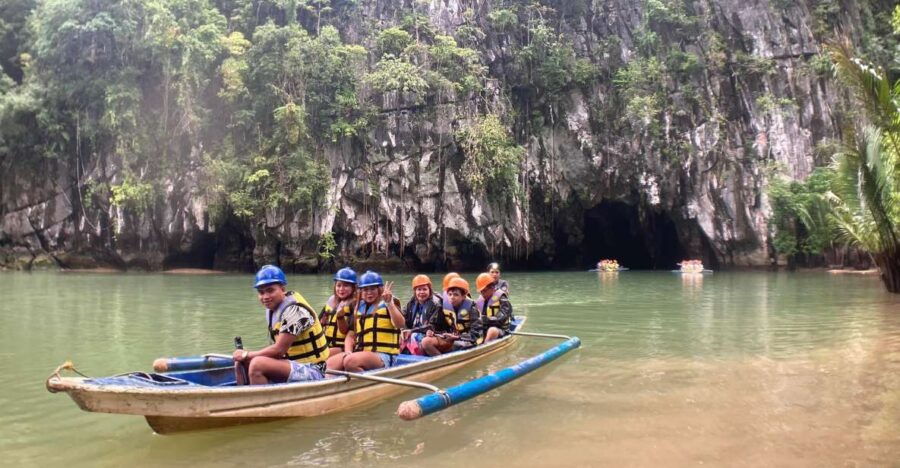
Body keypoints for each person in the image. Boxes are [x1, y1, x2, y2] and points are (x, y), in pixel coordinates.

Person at [232, 265, 329, 385]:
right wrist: (245, 357)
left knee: (256, 364)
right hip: (290, 364)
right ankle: (244, 396)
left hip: (313, 370)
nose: (265, 297)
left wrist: (246, 354)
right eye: (261, 292)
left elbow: (279, 350)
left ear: (282, 289)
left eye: (270, 290)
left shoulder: (295, 311)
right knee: (241, 362)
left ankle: (264, 402)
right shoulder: (274, 310)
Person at [325, 271, 405, 372]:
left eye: (372, 289)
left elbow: (400, 324)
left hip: (383, 356)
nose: (369, 292)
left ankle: (367, 385)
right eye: (365, 289)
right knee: (328, 365)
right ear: (361, 291)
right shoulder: (358, 308)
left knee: (350, 361)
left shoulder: (388, 304)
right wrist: (348, 351)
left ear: (379, 289)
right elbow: (350, 335)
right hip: (361, 353)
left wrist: (390, 303)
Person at [405, 274, 457, 356]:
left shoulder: (436, 304)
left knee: (417, 337)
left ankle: (434, 362)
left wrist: (411, 331)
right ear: (415, 291)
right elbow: (404, 318)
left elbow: (432, 326)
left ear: (430, 290)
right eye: (419, 289)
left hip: (439, 334)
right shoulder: (411, 303)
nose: (421, 292)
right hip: (420, 332)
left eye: (424, 289)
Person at [319, 267, 357, 356]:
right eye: (339, 285)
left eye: (346, 285)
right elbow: (318, 324)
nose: (341, 289)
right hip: (326, 345)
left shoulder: (355, 304)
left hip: (342, 347)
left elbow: (347, 332)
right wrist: (322, 323)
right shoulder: (331, 301)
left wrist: (340, 317)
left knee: (320, 356)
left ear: (354, 287)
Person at [443, 277, 482, 351]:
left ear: (464, 296)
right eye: (450, 294)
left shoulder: (472, 309)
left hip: (472, 339)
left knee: (455, 344)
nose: (452, 297)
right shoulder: (446, 307)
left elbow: (475, 334)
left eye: (456, 295)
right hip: (457, 337)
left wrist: (458, 337)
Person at [475, 272, 512, 343]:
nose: (483, 294)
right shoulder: (480, 300)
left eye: (485, 291)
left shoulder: (502, 297)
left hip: (500, 329)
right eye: (481, 291)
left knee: (492, 330)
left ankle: (484, 347)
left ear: (492, 287)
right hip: (485, 328)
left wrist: (487, 319)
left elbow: (503, 316)